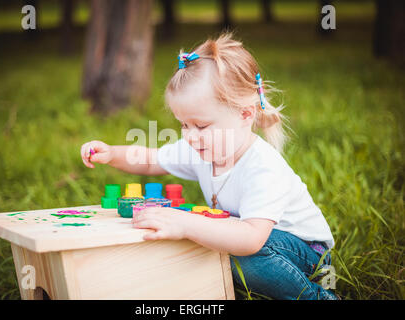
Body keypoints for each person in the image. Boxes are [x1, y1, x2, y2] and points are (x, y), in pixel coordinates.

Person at [80, 32, 337, 300]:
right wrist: (111, 154)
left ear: (245, 114)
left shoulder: (263, 167)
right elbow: (151, 159)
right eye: (184, 125)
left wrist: (186, 223)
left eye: (201, 125)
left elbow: (251, 239)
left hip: (304, 255)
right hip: (254, 244)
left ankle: (317, 297)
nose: (190, 135)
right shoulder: (202, 148)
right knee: (216, 244)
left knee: (236, 252)